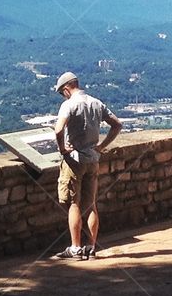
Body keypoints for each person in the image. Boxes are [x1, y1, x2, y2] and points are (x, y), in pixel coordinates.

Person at [52, 71, 122, 260]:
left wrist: (62, 149)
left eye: (61, 92)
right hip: (93, 159)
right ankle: (91, 246)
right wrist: (102, 146)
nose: (62, 95)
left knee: (73, 204)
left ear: (66, 89)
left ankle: (75, 248)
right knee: (91, 205)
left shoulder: (68, 105)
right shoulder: (96, 102)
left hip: (74, 161)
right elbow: (117, 125)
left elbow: (58, 130)